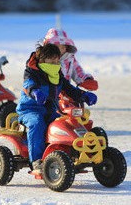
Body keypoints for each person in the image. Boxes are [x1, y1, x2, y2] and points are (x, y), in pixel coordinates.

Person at [16, 43, 97, 175]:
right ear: (43, 60)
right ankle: (36, 160)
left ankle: (72, 153)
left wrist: (84, 95)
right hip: (30, 110)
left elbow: (70, 89)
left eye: (57, 61)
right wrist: (35, 92)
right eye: (51, 61)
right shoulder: (32, 72)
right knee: (37, 123)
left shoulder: (57, 75)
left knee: (66, 125)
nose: (55, 64)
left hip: (50, 110)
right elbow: (28, 85)